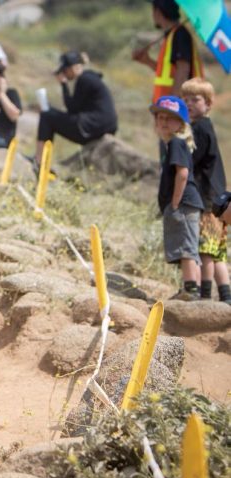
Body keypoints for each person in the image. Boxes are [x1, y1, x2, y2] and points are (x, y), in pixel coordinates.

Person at [181, 78, 231, 303]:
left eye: (195, 99)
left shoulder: (199, 128)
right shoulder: (206, 126)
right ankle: (226, 295)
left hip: (207, 199)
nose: (189, 103)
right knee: (217, 250)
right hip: (218, 197)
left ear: (209, 104)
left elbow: (191, 160)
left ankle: (205, 296)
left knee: (206, 250)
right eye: (185, 99)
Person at [149, 95, 203, 301]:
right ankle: (192, 287)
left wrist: (174, 202)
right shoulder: (173, 144)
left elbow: (182, 174)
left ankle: (191, 290)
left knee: (186, 248)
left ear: (180, 124)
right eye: (160, 117)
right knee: (187, 246)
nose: (163, 122)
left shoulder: (176, 143)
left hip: (184, 204)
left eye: (170, 118)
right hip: (187, 203)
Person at [34, 51, 117, 166]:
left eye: (65, 70)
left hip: (92, 127)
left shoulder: (84, 79)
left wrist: (64, 85)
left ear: (73, 68)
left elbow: (72, 109)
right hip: (102, 127)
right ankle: (41, 159)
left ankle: (39, 159)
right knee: (50, 114)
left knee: (46, 116)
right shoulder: (90, 78)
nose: (64, 74)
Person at [132, 0, 203, 102]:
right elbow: (169, 74)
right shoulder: (171, 35)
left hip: (179, 105)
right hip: (167, 105)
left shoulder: (180, 34)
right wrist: (147, 61)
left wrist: (173, 102)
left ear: (158, 12)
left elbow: (183, 70)